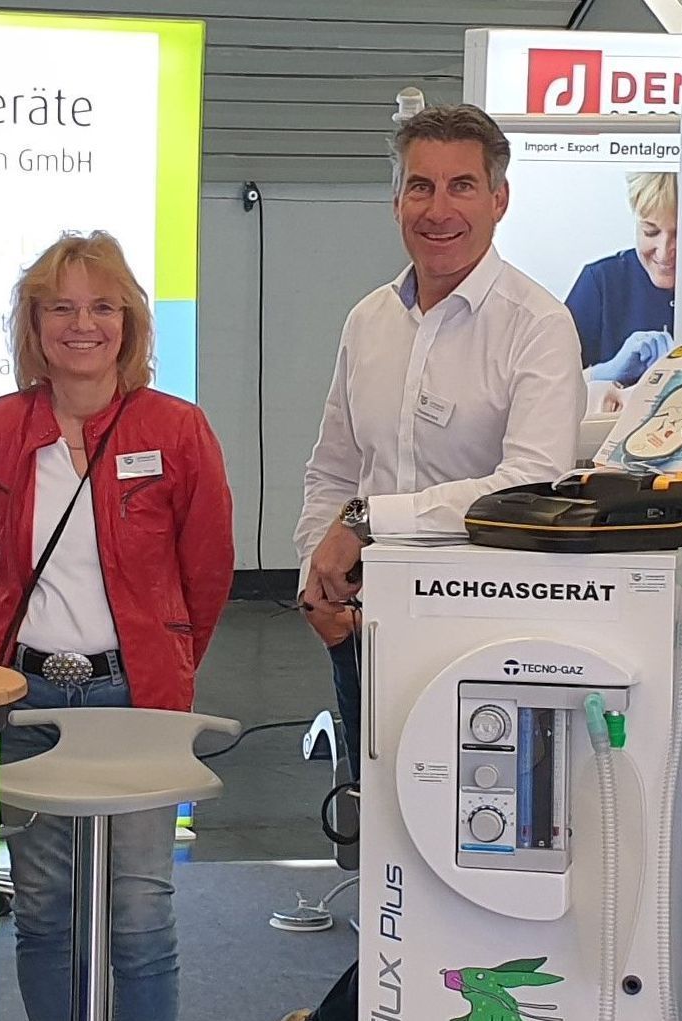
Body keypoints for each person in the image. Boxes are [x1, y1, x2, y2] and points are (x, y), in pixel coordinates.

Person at [281, 104, 585, 1021]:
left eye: (460, 186)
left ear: (499, 199)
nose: (437, 208)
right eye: (419, 186)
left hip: (483, 640)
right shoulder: (368, 320)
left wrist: (369, 522)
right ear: (395, 200)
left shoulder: (536, 324)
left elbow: (528, 481)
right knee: (386, 843)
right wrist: (314, 580)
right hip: (366, 632)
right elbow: (333, 465)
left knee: (474, 851)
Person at [0, 230, 234, 1021]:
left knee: (139, 916)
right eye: (60, 308)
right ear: (34, 324)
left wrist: (160, 658)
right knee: (44, 913)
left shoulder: (176, 429)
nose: (82, 325)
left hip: (135, 698)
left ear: (129, 322)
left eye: (102, 307)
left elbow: (207, 572)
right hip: (28, 699)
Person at [567, 172, 676, 393]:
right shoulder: (601, 284)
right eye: (650, 232)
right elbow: (545, 391)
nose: (664, 252)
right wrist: (604, 373)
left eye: (680, 234)